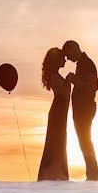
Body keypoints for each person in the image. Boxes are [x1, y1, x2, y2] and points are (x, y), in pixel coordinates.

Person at [63, 40, 98, 181]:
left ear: (75, 49)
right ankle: (91, 174)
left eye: (68, 54)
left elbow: (93, 86)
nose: (67, 59)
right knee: (83, 141)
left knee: (85, 141)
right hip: (81, 109)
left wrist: (74, 80)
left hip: (85, 109)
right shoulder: (83, 64)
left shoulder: (87, 64)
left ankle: (92, 175)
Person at [37, 47, 70, 181]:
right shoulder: (55, 76)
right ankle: (53, 176)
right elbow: (64, 92)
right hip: (58, 112)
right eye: (63, 57)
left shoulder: (56, 75)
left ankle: (56, 176)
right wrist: (69, 80)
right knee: (55, 144)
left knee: (59, 143)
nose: (65, 60)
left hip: (60, 112)